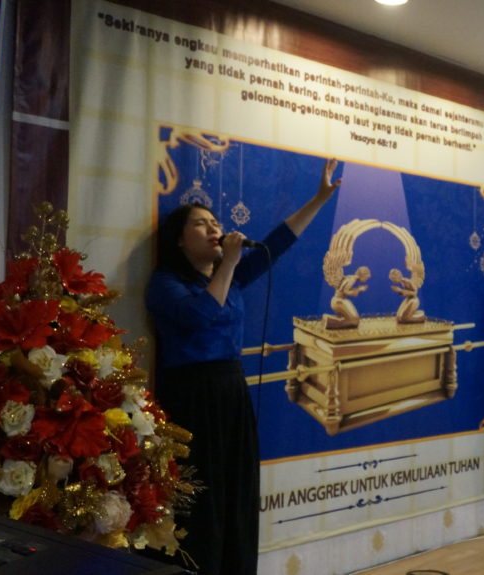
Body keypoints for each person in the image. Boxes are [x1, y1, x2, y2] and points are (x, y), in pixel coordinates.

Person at [145, 159, 341, 574]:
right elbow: (200, 316)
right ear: (179, 240)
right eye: (200, 224)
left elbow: (280, 241)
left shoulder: (229, 276)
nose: (214, 228)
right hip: (190, 396)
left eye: (216, 222)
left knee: (236, 488)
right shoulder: (166, 283)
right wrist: (230, 263)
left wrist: (320, 199)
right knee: (202, 494)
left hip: (230, 389)